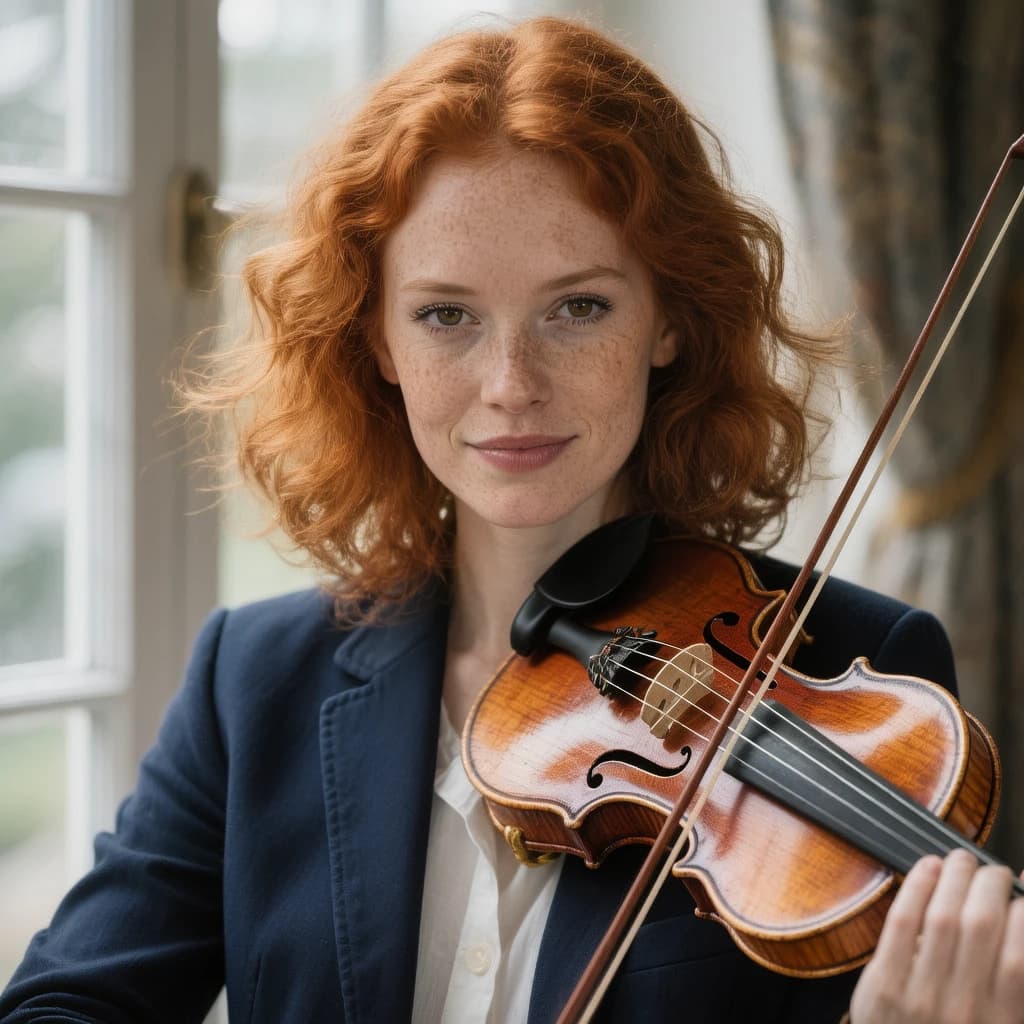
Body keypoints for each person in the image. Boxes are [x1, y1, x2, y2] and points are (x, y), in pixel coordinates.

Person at [2, 15, 1022, 1024]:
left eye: (577, 308)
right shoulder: (255, 678)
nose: (509, 385)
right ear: (379, 342)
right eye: (445, 314)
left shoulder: (854, 666)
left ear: (667, 318)